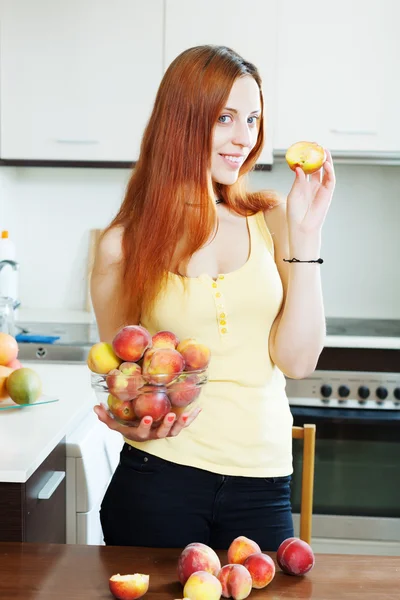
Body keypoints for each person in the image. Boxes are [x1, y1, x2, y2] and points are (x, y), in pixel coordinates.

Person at [91, 44, 335, 551]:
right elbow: (126, 379)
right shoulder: (123, 244)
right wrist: (130, 421)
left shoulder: (271, 220)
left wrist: (307, 235)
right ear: (182, 120)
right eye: (225, 118)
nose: (244, 138)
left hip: (263, 482)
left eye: (252, 119)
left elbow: (298, 360)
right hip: (160, 477)